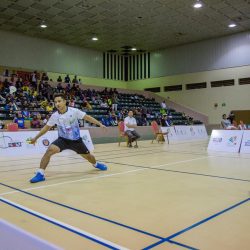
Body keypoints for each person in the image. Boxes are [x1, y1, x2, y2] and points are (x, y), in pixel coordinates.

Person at [29, 93, 108, 183]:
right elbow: (46, 128)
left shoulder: (74, 111)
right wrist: (35, 138)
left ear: (65, 102)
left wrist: (100, 124)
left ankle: (96, 164)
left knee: (89, 157)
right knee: (49, 150)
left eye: (59, 101)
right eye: (55, 102)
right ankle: (40, 174)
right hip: (63, 140)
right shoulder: (54, 116)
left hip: (76, 141)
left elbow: (88, 118)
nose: (57, 104)